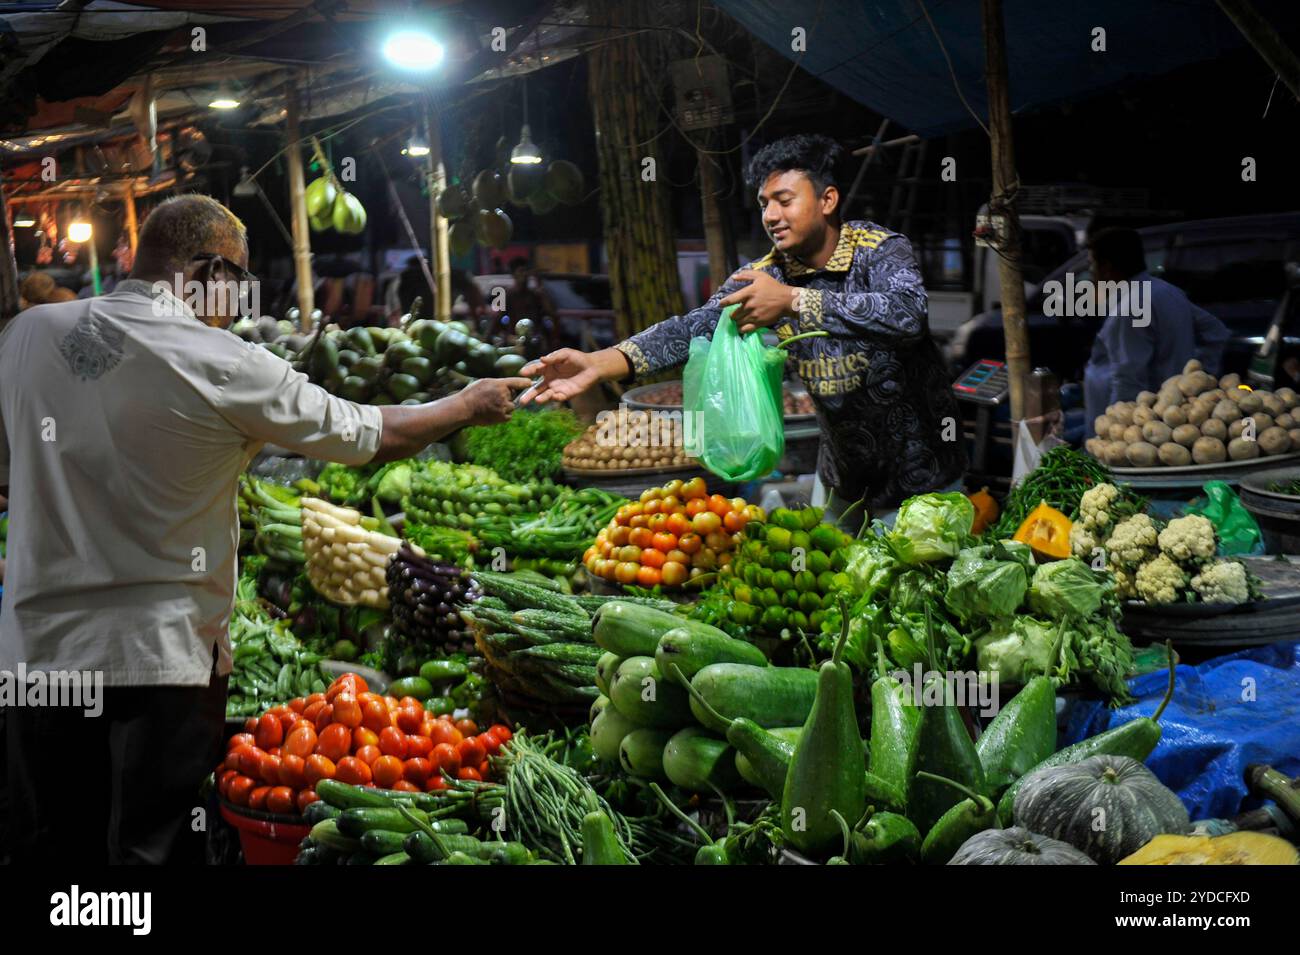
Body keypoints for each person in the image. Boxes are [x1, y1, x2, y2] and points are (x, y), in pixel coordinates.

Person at [0, 194, 527, 864]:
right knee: (151, 850)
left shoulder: (28, 335)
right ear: (207, 271)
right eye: (237, 282)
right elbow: (373, 433)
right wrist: (469, 403)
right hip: (162, 659)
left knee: (48, 847)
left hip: (37, 653)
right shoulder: (223, 360)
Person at [521, 134, 965, 524]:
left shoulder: (879, 250)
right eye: (763, 203)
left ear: (827, 200)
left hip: (922, 484)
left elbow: (906, 314)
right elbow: (694, 327)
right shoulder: (763, 275)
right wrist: (599, 363)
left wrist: (792, 300)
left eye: (784, 200)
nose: (771, 215)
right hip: (843, 487)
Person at [1083, 228, 1230, 432]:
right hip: (1165, 414)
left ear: (1106, 267)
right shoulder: (1167, 291)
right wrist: (1197, 380)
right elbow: (1217, 332)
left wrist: (1116, 430)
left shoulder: (1131, 307)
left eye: (1092, 266)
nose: (1091, 274)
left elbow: (1128, 377)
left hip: (1135, 424)